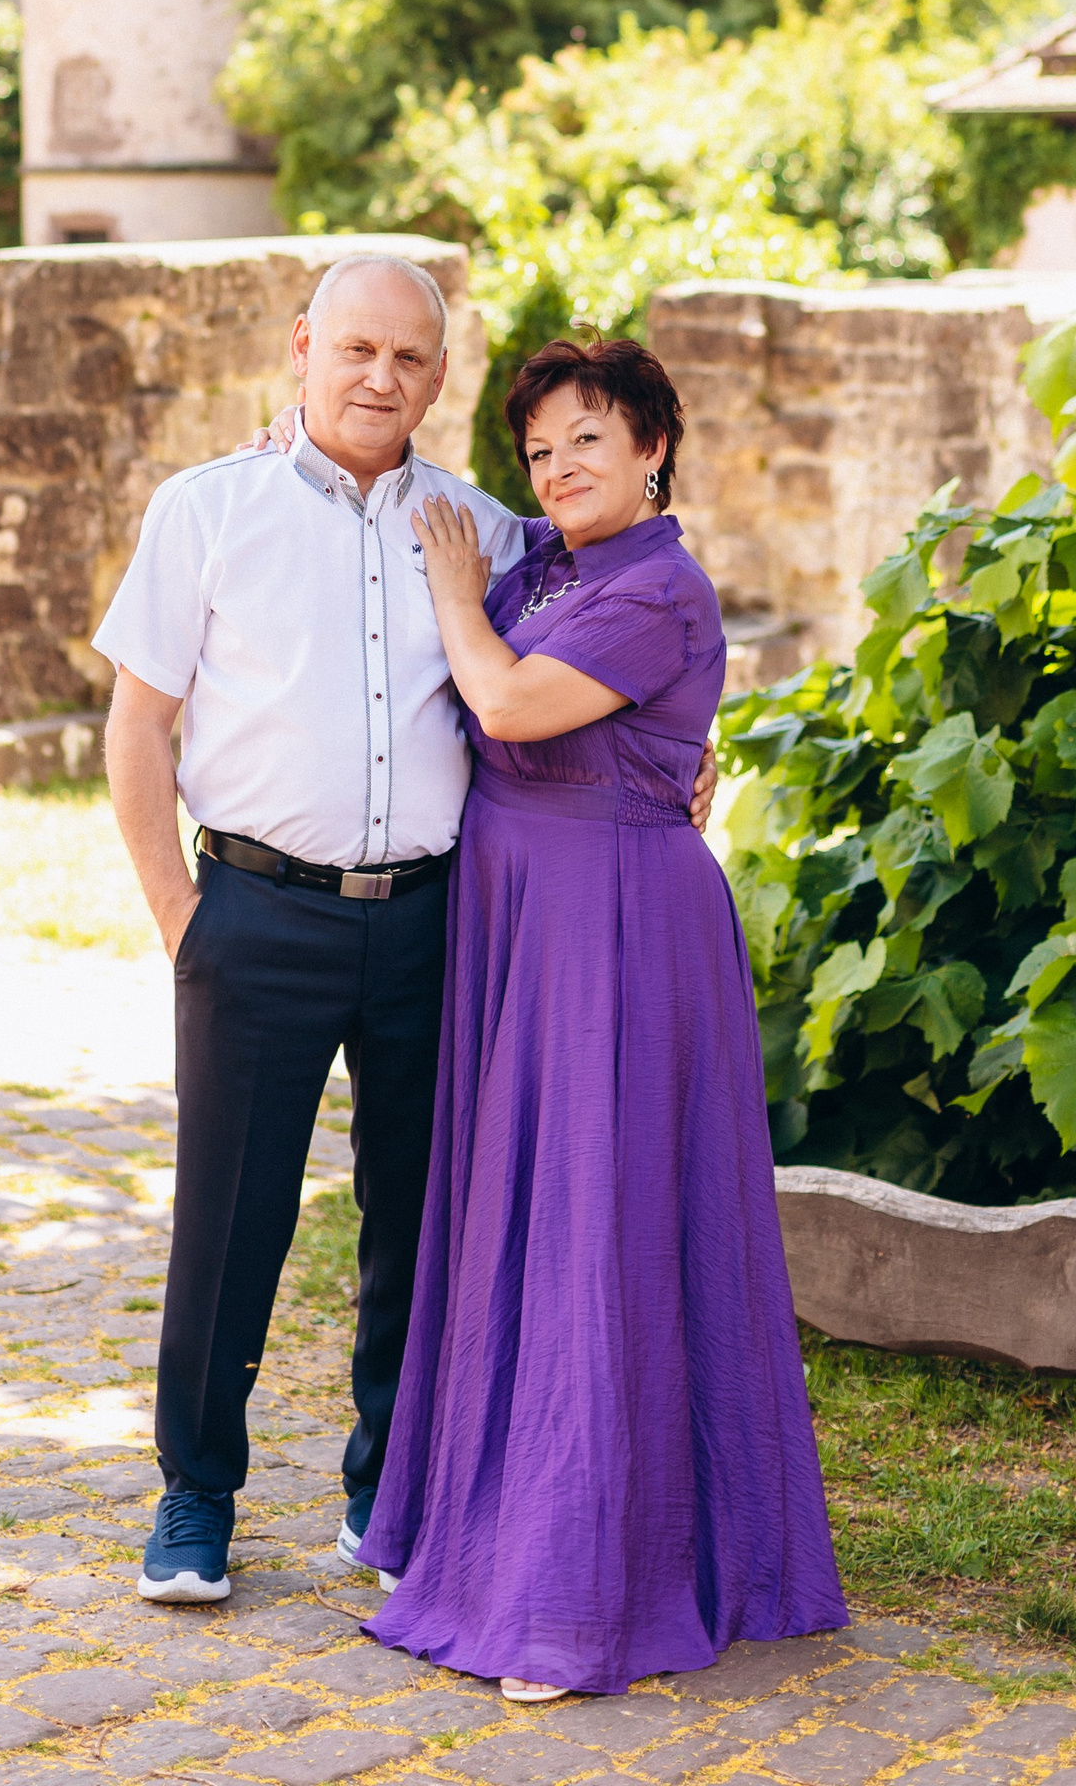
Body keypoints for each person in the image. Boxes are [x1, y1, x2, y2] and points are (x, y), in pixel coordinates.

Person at [94, 258, 715, 1603]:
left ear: (440, 376)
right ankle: (196, 1495)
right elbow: (138, 725)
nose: (382, 378)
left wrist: (682, 757)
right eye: (357, 349)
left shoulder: (487, 530)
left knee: (424, 1221)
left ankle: (390, 1488)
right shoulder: (207, 510)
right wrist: (181, 920)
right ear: (302, 346)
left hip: (440, 923)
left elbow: (612, 619)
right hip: (255, 913)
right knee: (230, 1216)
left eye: (411, 358)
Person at [361, 334, 846, 1699]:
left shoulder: (658, 588)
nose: (560, 466)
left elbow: (511, 702)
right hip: (522, 918)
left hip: (619, 929)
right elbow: (437, 504)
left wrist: (454, 597)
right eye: (540, 448)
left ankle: (573, 1599)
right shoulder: (550, 563)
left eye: (589, 438)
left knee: (597, 1231)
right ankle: (480, 1533)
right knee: (514, 1219)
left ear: (653, 448)